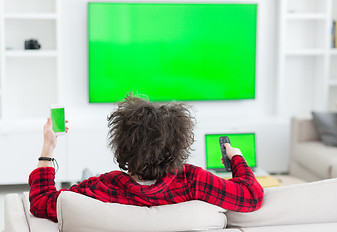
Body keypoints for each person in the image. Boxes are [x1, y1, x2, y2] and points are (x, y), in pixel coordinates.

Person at [29, 94, 264, 222]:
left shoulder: (102, 186)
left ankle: (84, 174)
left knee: (85, 178)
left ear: (121, 143)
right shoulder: (194, 180)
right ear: (180, 143)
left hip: (98, 188)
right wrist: (236, 158)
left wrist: (48, 147)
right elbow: (252, 196)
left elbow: (41, 201)